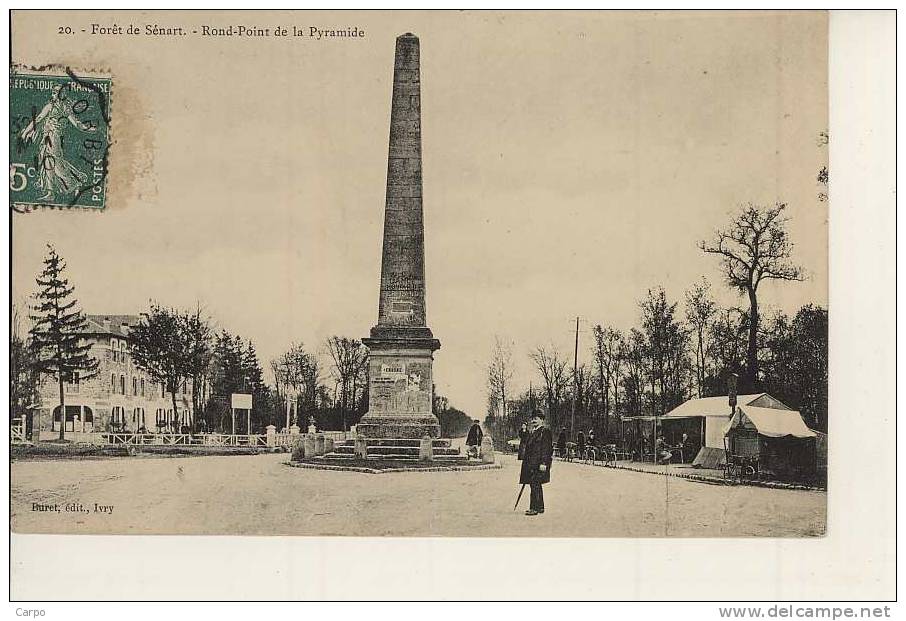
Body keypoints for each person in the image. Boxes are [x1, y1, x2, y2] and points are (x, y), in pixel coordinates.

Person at [520, 410, 553, 516]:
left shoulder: (545, 432)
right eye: (532, 418)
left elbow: (546, 449)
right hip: (531, 463)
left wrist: (544, 463)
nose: (533, 420)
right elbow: (525, 441)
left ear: (542, 420)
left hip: (539, 463)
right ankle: (540, 507)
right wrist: (524, 430)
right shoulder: (533, 432)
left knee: (535, 484)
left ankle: (534, 508)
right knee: (535, 484)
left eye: (536, 418)